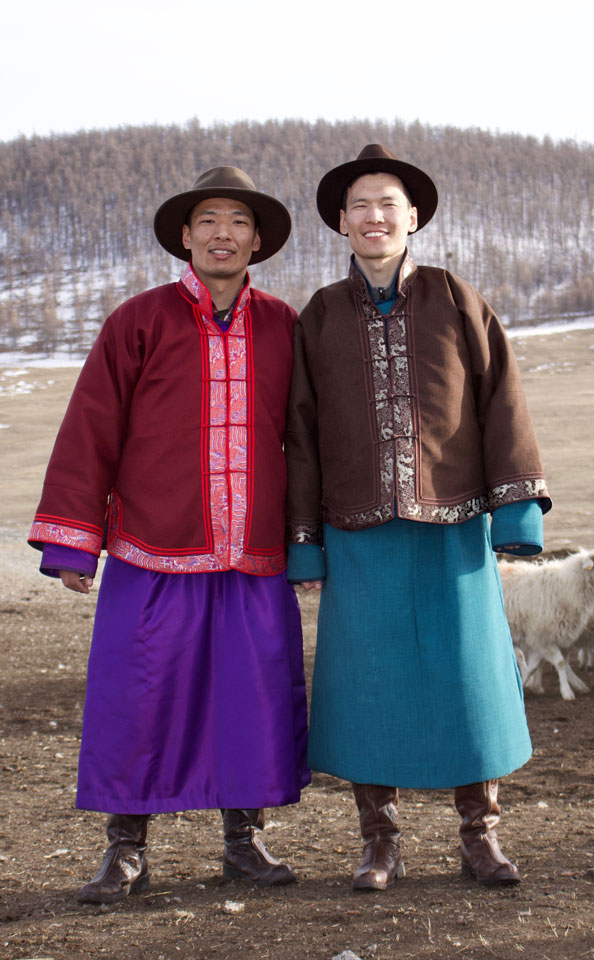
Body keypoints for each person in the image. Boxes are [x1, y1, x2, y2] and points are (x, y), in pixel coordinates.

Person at [28, 166, 310, 903]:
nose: (224, 234)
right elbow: (92, 428)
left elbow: (310, 439)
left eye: (239, 222)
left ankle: (243, 844)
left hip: (252, 552)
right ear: (186, 237)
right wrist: (71, 541)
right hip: (152, 548)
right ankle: (126, 849)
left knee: (251, 698)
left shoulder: (285, 325)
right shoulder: (138, 321)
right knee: (138, 696)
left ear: (258, 239)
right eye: (209, 221)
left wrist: (312, 539)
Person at [285, 144, 551, 890]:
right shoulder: (321, 316)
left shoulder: (455, 298)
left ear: (413, 218)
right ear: (342, 222)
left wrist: (517, 513)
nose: (374, 216)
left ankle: (481, 838)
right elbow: (299, 434)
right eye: (360, 205)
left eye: (387, 203)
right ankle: (381, 844)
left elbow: (504, 399)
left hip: (454, 526)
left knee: (472, 681)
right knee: (366, 685)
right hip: (357, 533)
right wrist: (304, 545)